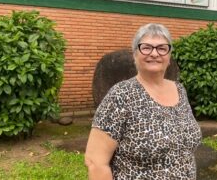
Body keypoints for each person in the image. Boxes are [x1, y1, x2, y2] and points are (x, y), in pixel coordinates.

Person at [85, 23, 202, 180]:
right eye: (146, 47)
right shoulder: (121, 95)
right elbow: (96, 162)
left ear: (169, 57)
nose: (154, 53)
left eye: (162, 48)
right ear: (135, 55)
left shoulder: (180, 90)